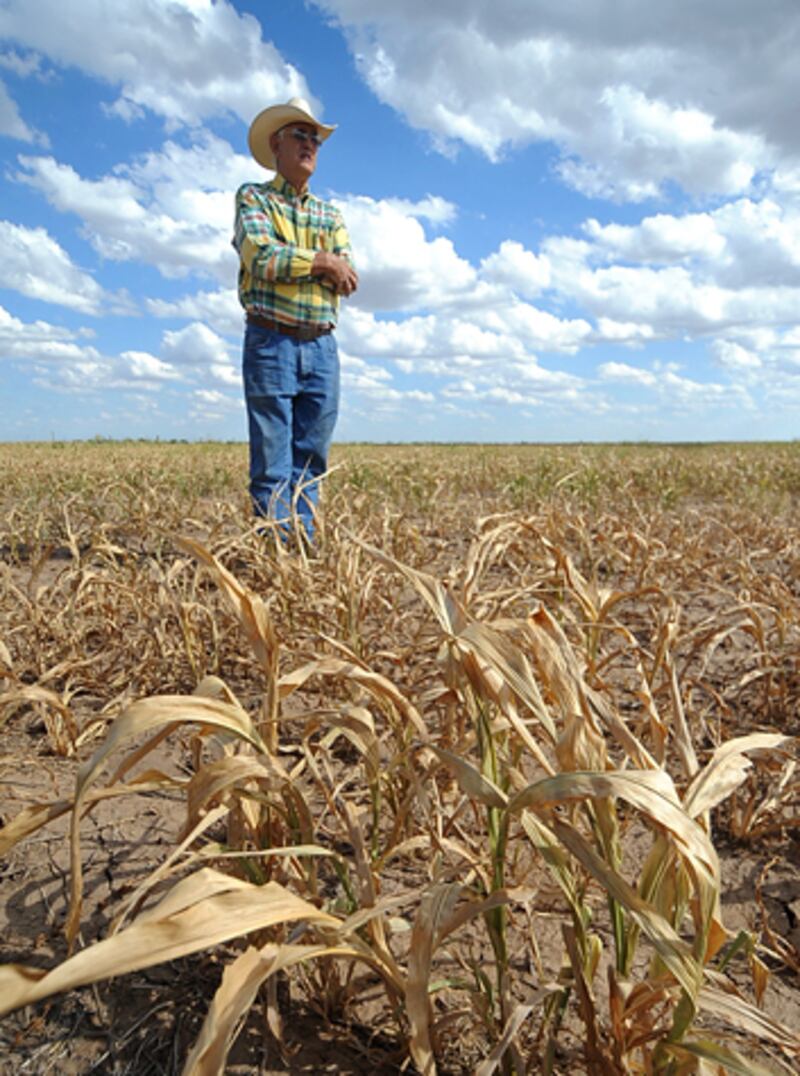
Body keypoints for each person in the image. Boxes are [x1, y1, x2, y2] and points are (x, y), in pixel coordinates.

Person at [233, 96, 358, 543]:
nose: (309, 145)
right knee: (272, 458)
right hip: (271, 339)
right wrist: (322, 261)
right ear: (276, 144)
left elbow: (348, 277)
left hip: (322, 344)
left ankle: (301, 545)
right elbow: (262, 257)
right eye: (299, 136)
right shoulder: (253, 197)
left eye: (315, 139)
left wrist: (314, 264)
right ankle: (276, 549)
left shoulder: (331, 213)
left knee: (312, 456)